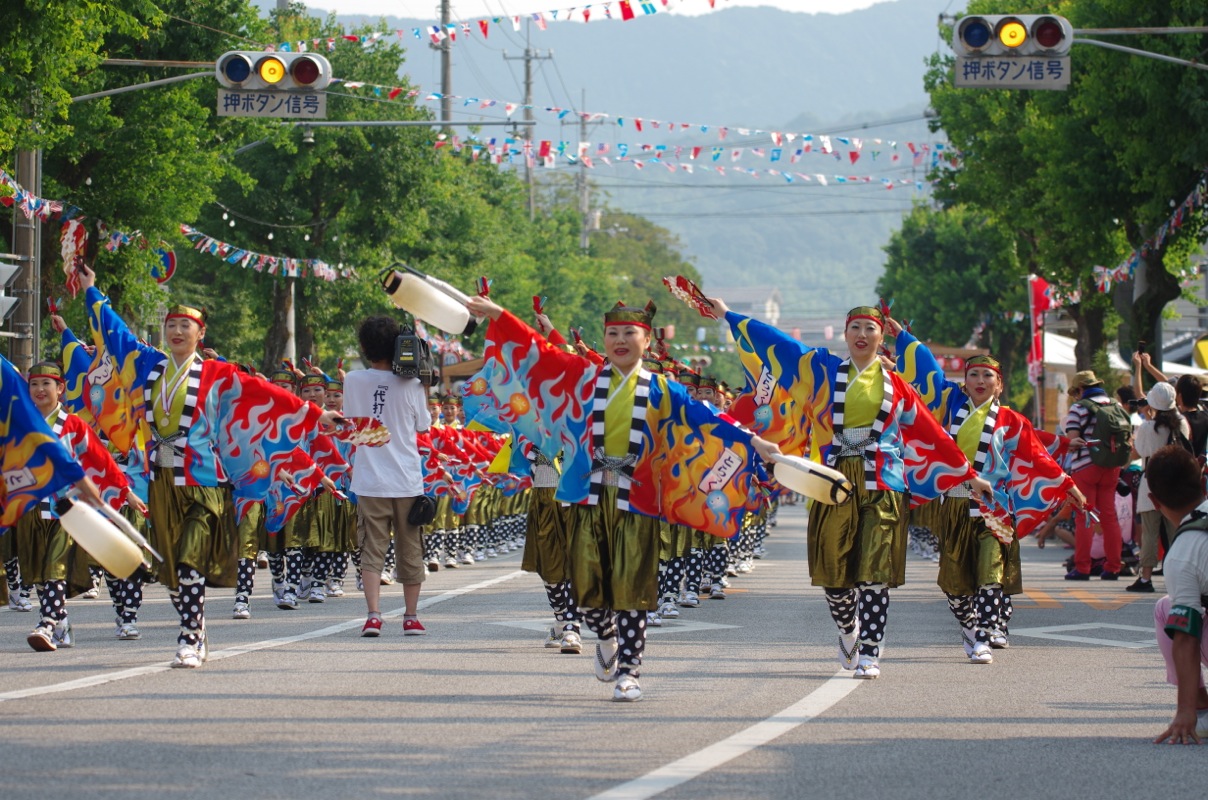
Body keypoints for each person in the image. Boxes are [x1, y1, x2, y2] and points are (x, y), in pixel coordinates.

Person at [465, 294, 780, 701]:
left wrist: (755, 440)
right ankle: (606, 635)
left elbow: (710, 419)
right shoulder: (583, 377)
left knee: (632, 589)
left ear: (645, 341)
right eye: (612, 333)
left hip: (638, 499)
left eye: (629, 333)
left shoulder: (662, 391)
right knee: (586, 589)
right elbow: (541, 354)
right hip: (587, 496)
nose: (620, 340)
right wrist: (500, 317)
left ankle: (629, 670)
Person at [718, 297, 992, 679]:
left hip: (884, 484)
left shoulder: (897, 386)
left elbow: (931, 432)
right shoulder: (823, 371)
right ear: (845, 334)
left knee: (874, 573)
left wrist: (967, 474)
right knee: (835, 578)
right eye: (855, 328)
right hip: (834, 483)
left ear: (882, 338)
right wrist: (729, 316)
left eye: (871, 329)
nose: (862, 335)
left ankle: (870, 652)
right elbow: (779, 344)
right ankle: (849, 629)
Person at [81, 264, 340, 667]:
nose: (177, 332)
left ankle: (187, 638)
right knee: (169, 568)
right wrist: (92, 292)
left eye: (186, 326)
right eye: (172, 325)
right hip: (162, 480)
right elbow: (115, 336)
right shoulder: (149, 366)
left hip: (204, 481)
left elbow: (267, 395)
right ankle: (196, 625)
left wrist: (313, 413)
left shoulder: (218, 374)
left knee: (190, 557)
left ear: (201, 334)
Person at [890, 322, 1082, 663]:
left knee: (991, 576)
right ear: (965, 381)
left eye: (988, 376)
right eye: (974, 375)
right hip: (955, 505)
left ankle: (984, 635)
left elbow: (1038, 456)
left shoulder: (1012, 420)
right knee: (955, 586)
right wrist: (904, 339)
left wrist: (1068, 484)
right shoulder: (949, 407)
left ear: (999, 384)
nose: (980, 381)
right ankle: (971, 625)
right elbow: (928, 374)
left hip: (997, 508)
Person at [344, 316, 431, 638]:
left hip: (369, 479)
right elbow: (423, 426)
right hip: (407, 480)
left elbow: (354, 422)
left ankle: (374, 615)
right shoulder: (412, 384)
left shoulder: (353, 380)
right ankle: (411, 617)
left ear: (364, 348)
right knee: (411, 548)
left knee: (371, 548)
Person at [1144, 445, 1208, 744]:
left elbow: (1186, 635)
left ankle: (1200, 707)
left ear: (1154, 501)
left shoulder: (1182, 554)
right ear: (1202, 480)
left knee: (1166, 609)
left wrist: (1185, 712)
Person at [1063, 370, 1130, 581]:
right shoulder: (1115, 405)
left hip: (1085, 468)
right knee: (1109, 518)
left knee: (1085, 517)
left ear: (1081, 389)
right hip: (1111, 468)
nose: (1075, 396)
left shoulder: (1078, 408)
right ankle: (1113, 567)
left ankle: (1082, 567)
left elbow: (1073, 440)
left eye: (1076, 392)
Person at [1129, 382, 1191, 594]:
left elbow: (1139, 452)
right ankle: (1179, 578)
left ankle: (1146, 578)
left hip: (1151, 482)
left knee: (1149, 533)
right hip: (1175, 482)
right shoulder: (1181, 423)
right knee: (1176, 532)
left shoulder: (1147, 427)